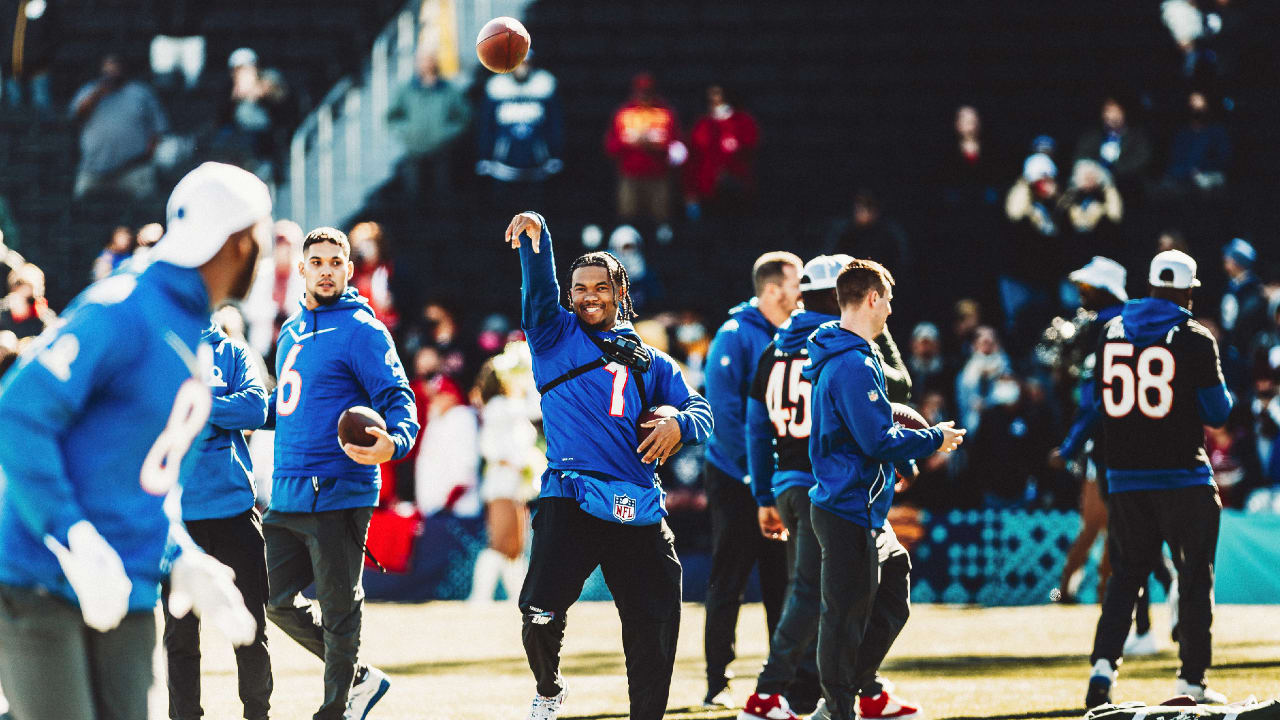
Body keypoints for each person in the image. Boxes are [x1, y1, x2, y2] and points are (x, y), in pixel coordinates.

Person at [0, 162, 269, 720]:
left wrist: (181, 556)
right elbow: (20, 414)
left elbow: (143, 479)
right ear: (240, 243)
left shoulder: (195, 329)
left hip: (127, 582)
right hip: (41, 577)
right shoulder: (124, 307)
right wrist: (70, 533)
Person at [502, 211, 712, 720]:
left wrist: (678, 426)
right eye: (579, 288)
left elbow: (701, 412)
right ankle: (549, 689)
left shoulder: (653, 361)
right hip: (569, 494)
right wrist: (538, 241)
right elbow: (537, 290)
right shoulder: (552, 337)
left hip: (635, 503)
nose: (589, 295)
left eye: (600, 286)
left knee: (655, 626)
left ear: (621, 291)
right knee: (538, 609)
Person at [266, 226, 420, 720]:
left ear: (350, 270)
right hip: (287, 491)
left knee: (339, 609)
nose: (327, 269)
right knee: (271, 599)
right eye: (318, 262)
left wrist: (393, 442)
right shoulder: (290, 330)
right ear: (303, 269)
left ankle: (336, 710)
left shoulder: (363, 330)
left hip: (339, 489)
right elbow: (288, 406)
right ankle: (359, 677)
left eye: (337, 261)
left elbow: (399, 401)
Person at [803, 258, 965, 720]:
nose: (891, 310)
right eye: (888, 300)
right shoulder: (852, 361)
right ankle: (836, 708)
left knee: (893, 592)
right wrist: (934, 437)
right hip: (846, 508)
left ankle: (843, 693)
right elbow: (876, 439)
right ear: (872, 298)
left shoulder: (854, 355)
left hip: (862, 509)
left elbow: (869, 433)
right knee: (843, 617)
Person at [1085, 250, 1234, 708]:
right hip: (1183, 479)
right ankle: (1191, 682)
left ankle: (1103, 671)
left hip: (1126, 480)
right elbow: (1217, 411)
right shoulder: (1194, 337)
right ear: (1188, 291)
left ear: (1149, 286)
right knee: (1193, 580)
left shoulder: (1110, 332)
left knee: (1125, 578)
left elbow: (1099, 405)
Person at [738, 255, 850, 720]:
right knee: (815, 592)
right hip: (825, 486)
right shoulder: (842, 343)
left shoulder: (774, 346)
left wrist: (764, 495)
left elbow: (756, 428)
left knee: (822, 591)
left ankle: (842, 690)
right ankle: (770, 691)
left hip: (786, 483)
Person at [701, 250, 802, 706]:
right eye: (797, 283)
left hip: (775, 480)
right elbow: (724, 413)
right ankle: (717, 681)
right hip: (734, 476)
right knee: (730, 578)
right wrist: (758, 475)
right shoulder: (734, 335)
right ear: (773, 289)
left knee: (782, 579)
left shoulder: (795, 334)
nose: (803, 293)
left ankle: (783, 679)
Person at [164, 320, 273, 720]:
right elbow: (152, 411)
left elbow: (255, 407)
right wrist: (219, 408)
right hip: (179, 522)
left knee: (252, 629)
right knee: (180, 637)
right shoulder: (164, 348)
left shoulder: (233, 351)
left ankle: (257, 715)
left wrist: (198, 408)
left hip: (235, 511)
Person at [1051, 257, 1128, 605]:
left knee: (1097, 521)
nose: (1081, 293)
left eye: (1088, 287)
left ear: (1105, 289)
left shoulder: (1102, 329)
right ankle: (1102, 591)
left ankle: (1068, 590)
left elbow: (1095, 402)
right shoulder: (1132, 323)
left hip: (1106, 444)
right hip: (1133, 443)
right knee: (1115, 525)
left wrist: (1068, 447)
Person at [469, 342, 542, 603]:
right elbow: (536, 408)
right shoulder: (500, 405)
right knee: (500, 543)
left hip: (516, 484)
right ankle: (479, 598)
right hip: (502, 482)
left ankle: (518, 598)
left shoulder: (508, 406)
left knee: (514, 547)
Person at [70, 54, 169, 200]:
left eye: (115, 66)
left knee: (148, 199)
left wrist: (146, 156)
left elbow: (159, 129)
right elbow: (76, 116)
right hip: (93, 170)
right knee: (79, 199)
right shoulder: (89, 91)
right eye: (108, 67)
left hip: (132, 169)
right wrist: (98, 93)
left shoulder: (141, 93)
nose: (111, 71)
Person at [476, 52, 564, 212]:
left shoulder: (544, 85)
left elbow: (554, 123)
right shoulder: (496, 87)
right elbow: (486, 125)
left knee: (535, 215)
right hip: (502, 165)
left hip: (537, 165)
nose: (522, 67)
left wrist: (555, 153)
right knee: (504, 213)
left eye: (525, 62)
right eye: (518, 63)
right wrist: (485, 155)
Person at [387, 48, 471, 209]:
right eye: (422, 60)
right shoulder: (406, 89)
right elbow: (391, 117)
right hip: (414, 152)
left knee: (442, 196)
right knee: (414, 197)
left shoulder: (448, 90)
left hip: (441, 152)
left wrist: (446, 133)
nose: (426, 63)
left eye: (429, 59)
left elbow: (464, 117)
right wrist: (407, 131)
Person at [604, 72, 683, 227]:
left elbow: (678, 147)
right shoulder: (624, 113)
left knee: (661, 216)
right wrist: (628, 142)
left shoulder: (664, 113)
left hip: (658, 175)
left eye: (648, 92)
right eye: (641, 92)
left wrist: (660, 144)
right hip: (630, 175)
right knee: (627, 215)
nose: (644, 96)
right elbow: (611, 146)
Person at [684, 84, 760, 219]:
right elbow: (693, 160)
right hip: (708, 188)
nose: (715, 99)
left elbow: (751, 151)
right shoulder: (702, 124)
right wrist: (691, 193)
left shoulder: (743, 121)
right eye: (711, 95)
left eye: (718, 94)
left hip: (738, 185)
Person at [0, 261, 53, 339]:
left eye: (31, 300)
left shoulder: (43, 318)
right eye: (24, 298)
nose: (27, 304)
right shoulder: (2, 313)